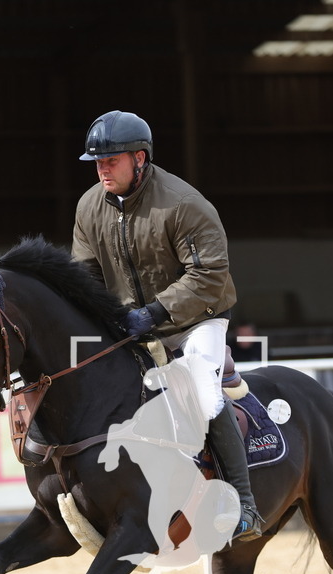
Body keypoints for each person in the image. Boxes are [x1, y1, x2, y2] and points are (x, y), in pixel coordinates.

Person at [71, 110, 262, 542]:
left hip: (197, 319)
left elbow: (210, 275)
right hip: (131, 324)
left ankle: (244, 505)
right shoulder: (88, 206)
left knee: (205, 394)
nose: (102, 168)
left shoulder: (182, 204)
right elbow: (85, 276)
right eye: (97, 162)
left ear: (140, 158)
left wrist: (155, 313)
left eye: (111, 160)